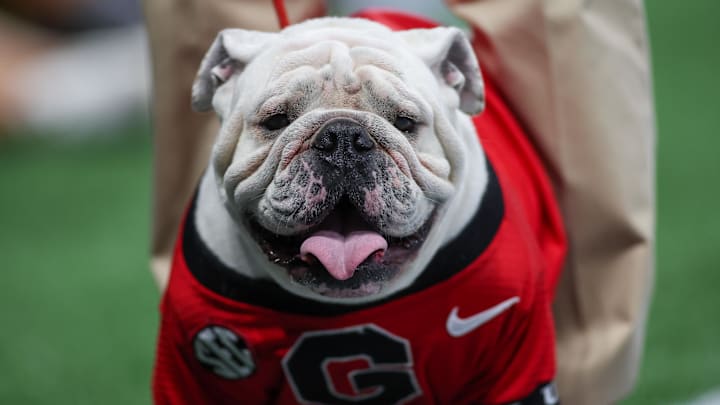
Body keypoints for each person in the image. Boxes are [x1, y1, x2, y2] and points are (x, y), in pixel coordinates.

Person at [142, 0, 655, 403]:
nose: (343, 153)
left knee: (552, 23)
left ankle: (581, 381)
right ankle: (235, 349)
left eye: (404, 122)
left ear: (456, 85)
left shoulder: (496, 259)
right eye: (277, 119)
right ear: (221, 81)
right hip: (234, 274)